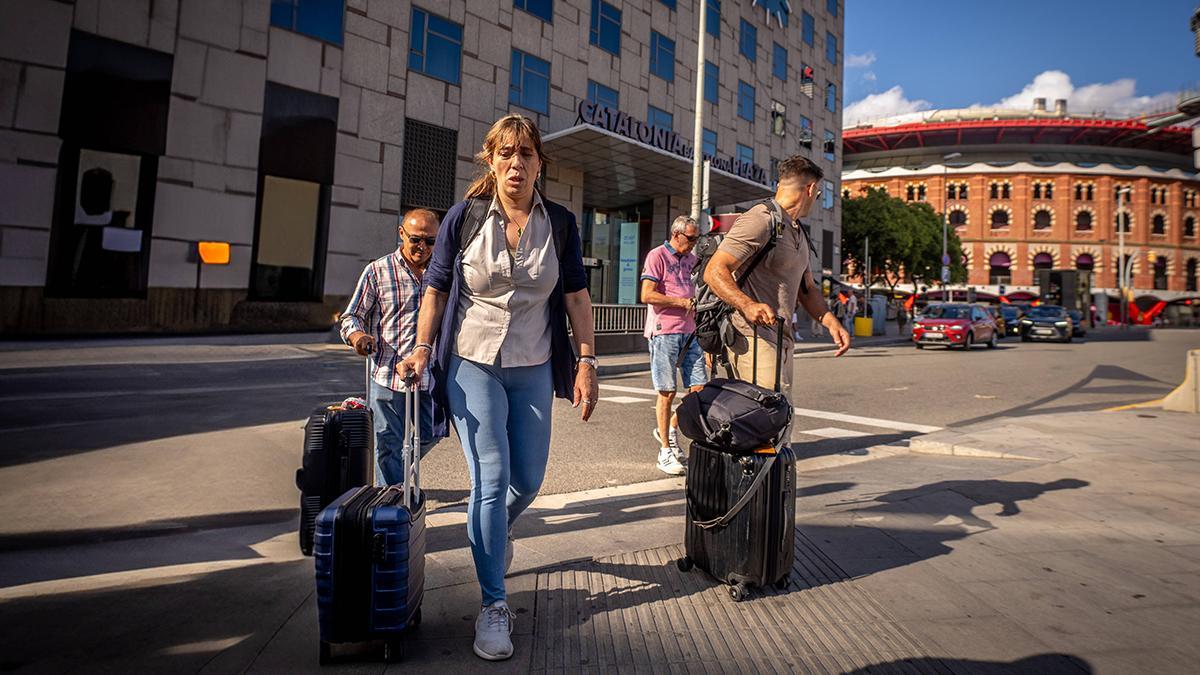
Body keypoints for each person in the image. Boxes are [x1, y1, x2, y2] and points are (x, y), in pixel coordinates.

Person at [398, 114, 597, 662]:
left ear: (540, 163)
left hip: (533, 362)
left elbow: (577, 297)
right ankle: (492, 604)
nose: (516, 163)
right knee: (491, 476)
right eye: (506, 153)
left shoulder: (559, 222)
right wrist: (419, 349)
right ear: (491, 160)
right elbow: (436, 290)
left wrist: (586, 362)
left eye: (526, 154)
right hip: (472, 362)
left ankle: (493, 535)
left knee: (527, 481)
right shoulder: (464, 217)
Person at [703, 154, 851, 413]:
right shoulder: (760, 219)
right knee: (766, 418)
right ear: (811, 189)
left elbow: (808, 289)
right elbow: (714, 271)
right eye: (818, 196)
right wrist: (748, 305)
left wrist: (830, 321)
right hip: (752, 336)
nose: (816, 201)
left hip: (782, 339)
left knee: (777, 418)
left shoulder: (797, 231)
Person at [340, 208, 441, 486]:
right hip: (387, 373)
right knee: (386, 443)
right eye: (416, 239)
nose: (422, 247)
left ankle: (398, 470)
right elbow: (352, 316)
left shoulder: (443, 273)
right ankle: (392, 505)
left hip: (431, 375)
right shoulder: (377, 271)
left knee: (434, 431)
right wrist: (358, 337)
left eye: (431, 241)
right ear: (401, 234)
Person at [640, 215, 706, 475]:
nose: (694, 243)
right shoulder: (657, 256)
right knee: (666, 391)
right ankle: (665, 451)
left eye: (696, 238)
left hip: (691, 331)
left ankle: (669, 428)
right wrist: (680, 303)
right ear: (676, 235)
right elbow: (646, 295)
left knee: (698, 389)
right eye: (691, 238)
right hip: (664, 330)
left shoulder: (693, 261)